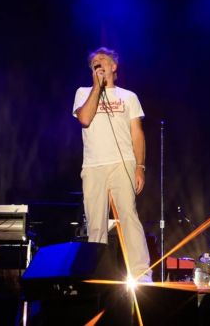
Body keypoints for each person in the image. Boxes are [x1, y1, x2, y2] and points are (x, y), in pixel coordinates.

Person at [72, 47, 151, 282]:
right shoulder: (82, 92)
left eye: (102, 60)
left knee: (128, 217)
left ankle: (141, 274)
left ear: (114, 66)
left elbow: (137, 134)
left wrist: (140, 166)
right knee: (95, 222)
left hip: (123, 162)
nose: (98, 63)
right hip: (94, 165)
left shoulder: (129, 96)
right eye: (94, 62)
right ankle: (96, 274)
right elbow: (85, 119)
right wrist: (97, 86)